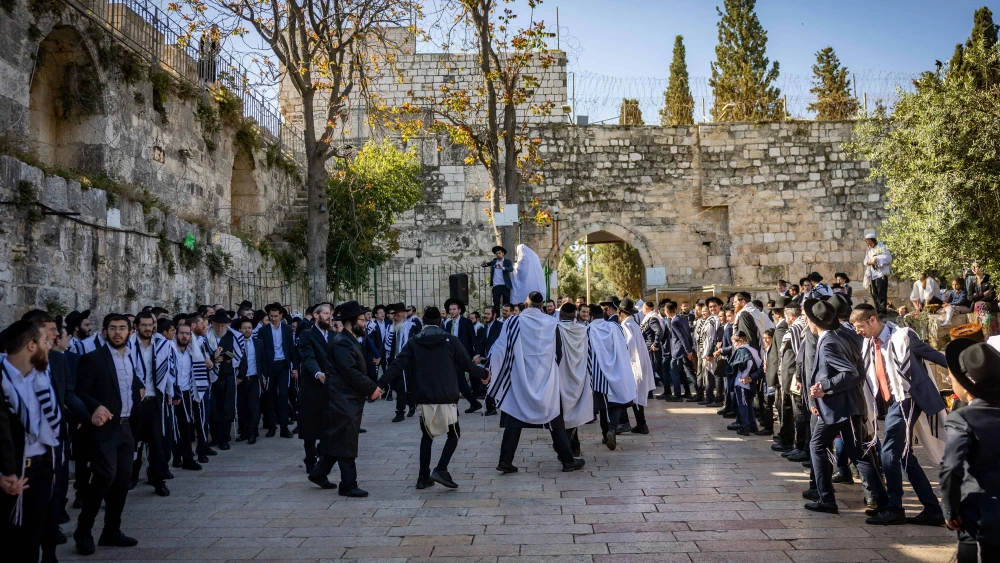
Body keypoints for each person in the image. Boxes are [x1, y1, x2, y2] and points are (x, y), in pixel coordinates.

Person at [851, 303, 947, 526]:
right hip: (892, 402)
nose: (858, 331)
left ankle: (895, 509)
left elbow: (932, 354)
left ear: (872, 320)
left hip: (908, 398)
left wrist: (963, 367)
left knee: (888, 454)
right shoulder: (868, 344)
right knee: (904, 456)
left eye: (859, 326)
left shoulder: (902, 336)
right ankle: (933, 509)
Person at [379, 306, 489, 489]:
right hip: (446, 395)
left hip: (424, 396)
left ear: (423, 323)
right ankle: (441, 469)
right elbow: (467, 365)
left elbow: (397, 365)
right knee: (453, 434)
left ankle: (423, 477)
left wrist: (379, 385)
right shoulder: (450, 340)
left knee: (427, 436)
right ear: (440, 322)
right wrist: (484, 373)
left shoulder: (414, 342)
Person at [801, 299, 888, 515]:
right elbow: (857, 370)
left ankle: (827, 498)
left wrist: (825, 387)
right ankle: (883, 500)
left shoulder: (829, 342)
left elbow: (850, 373)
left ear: (814, 323)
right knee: (857, 453)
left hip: (840, 408)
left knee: (818, 446)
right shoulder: (840, 337)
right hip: (846, 406)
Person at [486, 291, 585, 473]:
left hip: (519, 378)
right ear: (542, 306)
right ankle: (567, 460)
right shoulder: (551, 323)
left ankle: (505, 460)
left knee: (514, 417)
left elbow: (499, 349)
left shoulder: (513, 322)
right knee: (555, 418)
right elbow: (558, 352)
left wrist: (491, 369)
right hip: (545, 378)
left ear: (526, 303)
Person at [73, 314, 143, 556]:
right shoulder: (93, 359)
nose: (117, 332)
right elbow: (79, 391)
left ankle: (111, 531)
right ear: (104, 332)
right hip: (103, 429)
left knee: (123, 480)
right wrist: (95, 406)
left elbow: (131, 387)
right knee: (105, 476)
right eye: (112, 328)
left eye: (122, 328)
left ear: (130, 332)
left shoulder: (131, 359)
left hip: (125, 428)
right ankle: (83, 530)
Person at [0, 320, 62, 562]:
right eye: (45, 342)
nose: (49, 346)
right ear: (30, 346)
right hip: (11, 474)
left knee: (32, 538)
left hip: (41, 466)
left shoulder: (41, 376)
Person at [309, 301, 381, 496]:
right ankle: (348, 484)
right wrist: (372, 388)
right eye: (361, 319)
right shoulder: (342, 341)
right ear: (351, 321)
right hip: (341, 399)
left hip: (346, 398)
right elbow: (350, 371)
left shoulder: (348, 339)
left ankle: (318, 473)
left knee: (338, 439)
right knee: (346, 439)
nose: (365, 322)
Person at [940, 339, 1000, 562]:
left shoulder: (963, 418)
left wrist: (950, 510)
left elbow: (951, 469)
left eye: (951, 379)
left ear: (965, 386)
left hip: (981, 519)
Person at [586, 303, 637, 450]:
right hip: (617, 370)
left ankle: (605, 434)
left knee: (603, 406)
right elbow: (624, 346)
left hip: (598, 373)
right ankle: (612, 429)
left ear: (590, 317)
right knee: (615, 403)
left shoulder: (588, 330)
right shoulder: (615, 327)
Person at [295, 303, 333, 473]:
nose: (328, 316)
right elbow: (308, 356)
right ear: (316, 316)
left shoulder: (333, 335)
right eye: (325, 313)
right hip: (312, 385)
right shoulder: (306, 334)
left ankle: (323, 453)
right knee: (310, 425)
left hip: (330, 386)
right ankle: (310, 459)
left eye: (330, 313)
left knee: (328, 423)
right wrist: (318, 373)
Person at [554, 303, 593, 457]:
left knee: (562, 412)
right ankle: (573, 446)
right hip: (580, 375)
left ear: (560, 315)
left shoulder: (555, 329)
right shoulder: (584, 330)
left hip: (560, 375)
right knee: (575, 410)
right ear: (575, 315)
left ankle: (564, 445)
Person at [204, 310, 242, 450]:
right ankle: (215, 437)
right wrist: (213, 358)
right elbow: (202, 353)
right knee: (214, 408)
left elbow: (238, 355)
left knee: (227, 407)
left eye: (222, 326)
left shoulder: (232, 336)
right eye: (217, 326)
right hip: (212, 378)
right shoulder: (207, 337)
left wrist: (225, 358)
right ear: (213, 324)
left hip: (227, 376)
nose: (219, 329)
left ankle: (225, 438)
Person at [259, 303, 297, 439]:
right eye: (271, 316)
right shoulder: (263, 331)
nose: (273, 318)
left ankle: (284, 427)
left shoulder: (287, 329)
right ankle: (271, 426)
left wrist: (295, 368)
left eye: (276, 316)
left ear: (281, 316)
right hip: (270, 366)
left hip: (283, 365)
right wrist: (262, 371)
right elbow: (261, 352)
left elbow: (291, 349)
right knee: (269, 396)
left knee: (283, 395)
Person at [617, 298, 654, 434]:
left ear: (621, 312)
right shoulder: (633, 324)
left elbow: (628, 345)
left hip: (632, 365)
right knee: (636, 395)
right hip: (639, 365)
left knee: (622, 394)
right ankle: (641, 424)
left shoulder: (626, 326)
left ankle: (623, 422)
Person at [170, 323, 203, 471]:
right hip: (171, 393)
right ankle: (176, 457)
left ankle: (187, 458)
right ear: (176, 334)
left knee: (186, 426)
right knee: (172, 427)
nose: (184, 336)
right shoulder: (170, 351)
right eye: (182, 333)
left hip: (186, 393)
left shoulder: (192, 353)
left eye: (187, 334)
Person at [443, 298, 484, 413]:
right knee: (459, 382)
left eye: (454, 309)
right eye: (450, 309)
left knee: (457, 381)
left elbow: (473, 338)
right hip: (451, 356)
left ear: (459, 310)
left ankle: (455, 408)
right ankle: (474, 403)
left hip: (463, 355)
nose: (452, 311)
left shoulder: (466, 322)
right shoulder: (448, 323)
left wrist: (477, 354)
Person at [727, 330, 762, 436]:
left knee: (743, 404)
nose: (734, 345)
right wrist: (751, 377)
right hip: (751, 381)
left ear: (741, 340)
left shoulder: (742, 350)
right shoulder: (753, 350)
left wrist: (744, 376)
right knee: (749, 404)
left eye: (735, 342)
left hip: (742, 382)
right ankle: (753, 426)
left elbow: (748, 362)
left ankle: (745, 427)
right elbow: (759, 364)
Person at [235, 317, 264, 444]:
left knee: (254, 407)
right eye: (244, 328)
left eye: (249, 328)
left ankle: (252, 432)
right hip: (240, 380)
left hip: (253, 378)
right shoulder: (234, 344)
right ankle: (244, 432)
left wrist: (264, 376)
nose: (247, 330)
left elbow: (263, 361)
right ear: (239, 329)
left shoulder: (258, 343)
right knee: (242, 407)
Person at [864, 229, 892, 316]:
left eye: (870, 242)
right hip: (872, 274)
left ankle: (882, 310)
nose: (869, 244)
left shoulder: (881, 246)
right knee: (874, 293)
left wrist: (877, 259)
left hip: (881, 273)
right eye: (867, 243)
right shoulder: (868, 250)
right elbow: (865, 261)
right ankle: (877, 309)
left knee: (881, 292)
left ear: (873, 240)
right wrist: (870, 262)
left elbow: (888, 258)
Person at [482, 246, 513, 311]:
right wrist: (484, 264)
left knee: (506, 304)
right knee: (496, 303)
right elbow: (486, 264)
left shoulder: (507, 261)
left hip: (505, 286)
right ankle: (497, 318)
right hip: (496, 286)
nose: (498, 255)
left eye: (499, 253)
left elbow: (511, 269)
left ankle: (506, 318)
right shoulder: (494, 261)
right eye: (496, 254)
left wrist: (503, 268)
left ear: (503, 253)